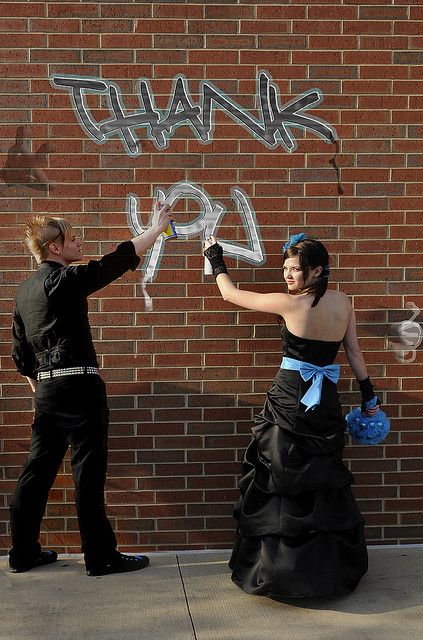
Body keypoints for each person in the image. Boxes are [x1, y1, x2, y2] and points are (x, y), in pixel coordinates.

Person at [204, 232, 381, 599]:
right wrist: (369, 398)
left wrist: (215, 257)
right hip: (325, 403)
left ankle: (280, 573)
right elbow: (354, 354)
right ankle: (325, 571)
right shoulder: (343, 302)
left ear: (316, 271)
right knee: (320, 483)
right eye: (285, 269)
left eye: (294, 270)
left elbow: (230, 294)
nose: (287, 276)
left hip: (289, 401)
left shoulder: (292, 305)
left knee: (280, 480)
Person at [9, 203, 173, 576]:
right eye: (72, 238)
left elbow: (21, 356)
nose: (79, 242)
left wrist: (42, 391)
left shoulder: (24, 293)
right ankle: (100, 557)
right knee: (88, 473)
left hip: (48, 392)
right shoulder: (61, 282)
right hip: (80, 388)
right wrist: (155, 229)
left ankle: (23, 553)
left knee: (36, 472)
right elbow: (112, 265)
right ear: (54, 247)